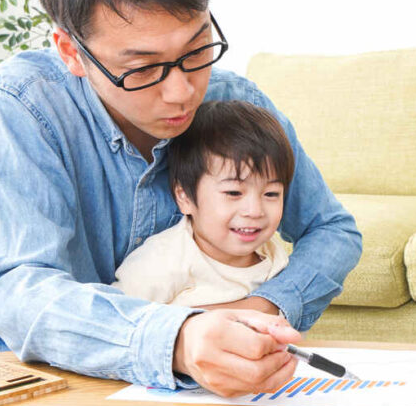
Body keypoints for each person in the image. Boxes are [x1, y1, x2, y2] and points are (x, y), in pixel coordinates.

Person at [0, 0, 362, 397]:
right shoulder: (19, 109)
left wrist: (259, 309)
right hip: (40, 390)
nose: (182, 91)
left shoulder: (232, 99)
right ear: (71, 52)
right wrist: (177, 339)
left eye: (196, 48)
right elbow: (19, 293)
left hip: (189, 398)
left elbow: (332, 230)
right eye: (143, 68)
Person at [113, 100, 293, 306]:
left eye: (271, 194)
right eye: (233, 192)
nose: (254, 211)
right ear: (185, 197)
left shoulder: (273, 254)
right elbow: (118, 321)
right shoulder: (161, 262)